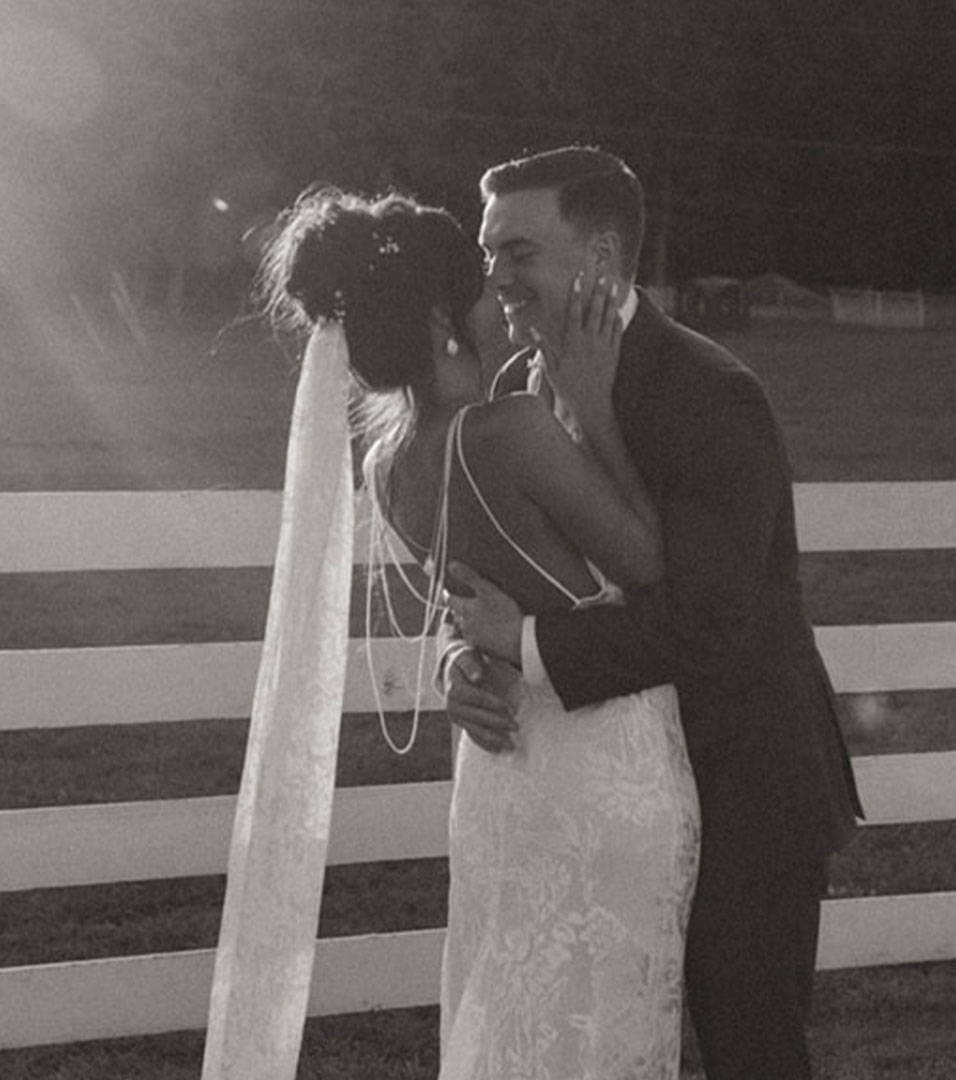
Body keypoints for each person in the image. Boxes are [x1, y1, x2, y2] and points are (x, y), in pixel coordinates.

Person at [257, 187, 701, 1078]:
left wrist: (467, 652)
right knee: (609, 1033)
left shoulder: (389, 463)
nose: (499, 294)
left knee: (513, 1014)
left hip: (503, 778)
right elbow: (652, 560)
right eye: (480, 282)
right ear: (439, 316)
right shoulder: (511, 431)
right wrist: (598, 406)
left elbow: (468, 598)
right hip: (601, 765)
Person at [444, 146, 865, 1079]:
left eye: (519, 252)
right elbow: (493, 566)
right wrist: (462, 663)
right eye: (489, 255)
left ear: (599, 257)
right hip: (602, 798)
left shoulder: (710, 393)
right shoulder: (514, 393)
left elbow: (707, 622)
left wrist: (522, 643)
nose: (496, 278)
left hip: (742, 787)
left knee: (749, 1053)